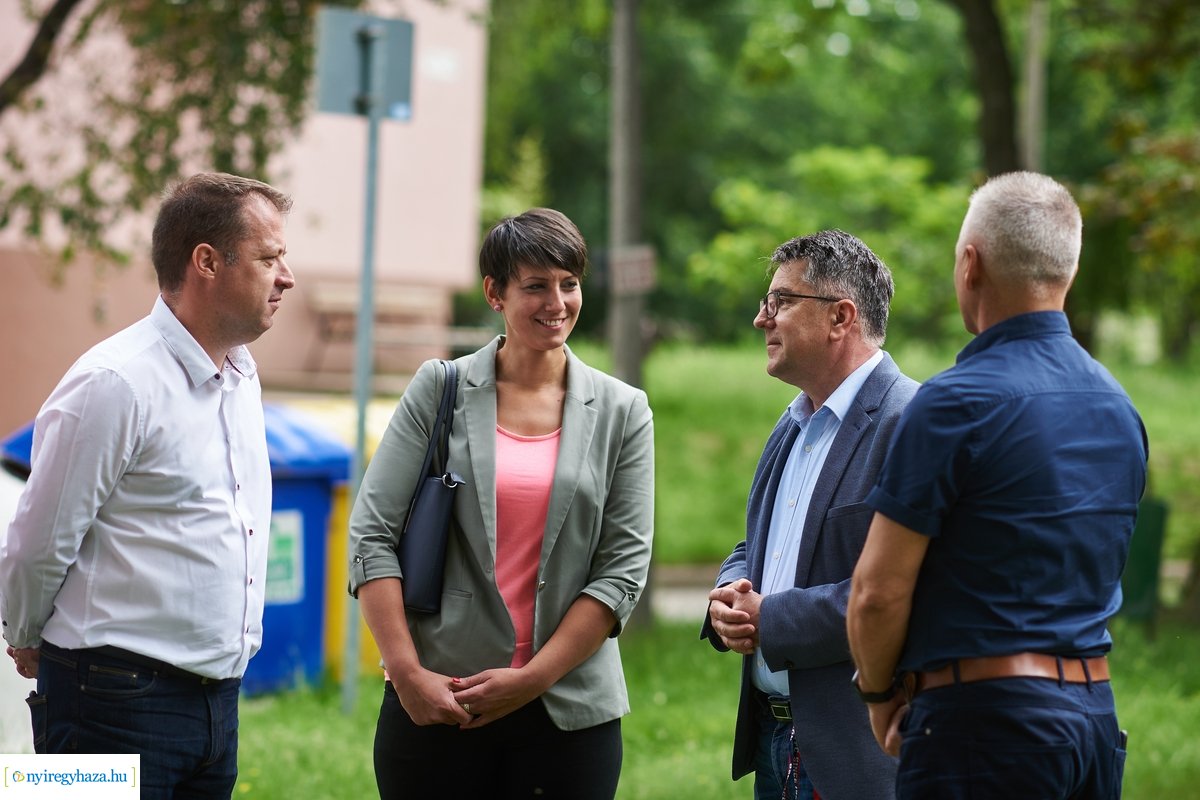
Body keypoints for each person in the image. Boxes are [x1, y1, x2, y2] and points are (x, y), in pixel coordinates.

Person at [847, 171, 1148, 799]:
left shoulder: (954, 403)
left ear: (970, 264)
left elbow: (876, 591)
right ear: (1066, 272)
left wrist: (879, 697)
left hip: (983, 728)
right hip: (1093, 719)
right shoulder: (1118, 407)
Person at [0, 172, 295, 796]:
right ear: (207, 262)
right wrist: (26, 636)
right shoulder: (114, 382)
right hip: (103, 700)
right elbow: (38, 539)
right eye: (270, 258)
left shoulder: (242, 376)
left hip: (217, 704)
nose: (286, 277)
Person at [348, 207, 654, 799]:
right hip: (441, 697)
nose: (557, 302)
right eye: (535, 286)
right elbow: (371, 537)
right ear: (495, 292)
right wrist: (407, 675)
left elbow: (622, 570)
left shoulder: (623, 410)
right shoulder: (440, 388)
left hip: (569, 710)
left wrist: (532, 679)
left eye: (569, 284)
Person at [702, 229, 917, 799]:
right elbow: (756, 545)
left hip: (857, 752)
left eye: (780, 301)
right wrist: (729, 595)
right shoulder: (792, 422)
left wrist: (768, 617)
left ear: (840, 317)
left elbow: (906, 590)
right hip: (775, 741)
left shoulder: (912, 423)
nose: (760, 318)